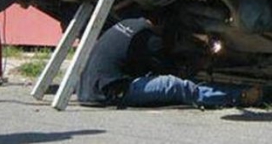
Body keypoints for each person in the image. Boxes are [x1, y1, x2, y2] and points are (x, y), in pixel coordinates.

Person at [77, 17, 262, 108]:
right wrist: (199, 63)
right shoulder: (150, 39)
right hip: (110, 93)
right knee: (174, 86)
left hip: (87, 89)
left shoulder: (129, 23)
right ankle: (239, 96)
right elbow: (170, 72)